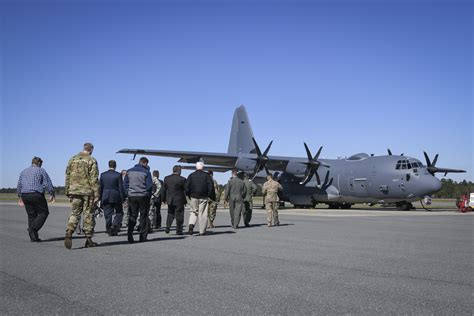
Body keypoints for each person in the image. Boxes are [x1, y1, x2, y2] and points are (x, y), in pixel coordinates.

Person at [64, 143, 100, 249]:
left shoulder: (72, 159)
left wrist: (68, 191)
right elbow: (94, 178)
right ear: (91, 149)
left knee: (75, 213)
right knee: (88, 214)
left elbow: (68, 175)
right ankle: (88, 238)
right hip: (87, 191)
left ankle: (69, 231)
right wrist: (97, 193)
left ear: (84, 148)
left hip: (74, 191)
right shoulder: (91, 160)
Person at [17, 157, 55, 242]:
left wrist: (19, 196)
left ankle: (34, 238)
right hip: (36, 194)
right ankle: (32, 228)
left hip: (25, 195)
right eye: (41, 164)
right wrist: (51, 193)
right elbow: (47, 182)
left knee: (31, 215)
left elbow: (19, 184)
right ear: (39, 163)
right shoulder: (41, 170)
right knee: (44, 213)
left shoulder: (23, 171)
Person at [123, 157, 153, 243]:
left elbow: (125, 184)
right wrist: (147, 194)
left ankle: (130, 235)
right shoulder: (146, 172)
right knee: (143, 216)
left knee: (132, 215)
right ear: (146, 163)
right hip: (143, 196)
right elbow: (149, 186)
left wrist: (128, 193)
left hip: (132, 196)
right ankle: (142, 237)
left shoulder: (129, 171)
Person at [185, 162, 216, 236]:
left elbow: (186, 186)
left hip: (193, 196)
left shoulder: (191, 175)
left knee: (193, 211)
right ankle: (202, 231)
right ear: (203, 168)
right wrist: (210, 196)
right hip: (203, 197)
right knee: (202, 213)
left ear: (196, 167)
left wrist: (189, 195)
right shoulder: (206, 176)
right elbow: (211, 186)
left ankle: (191, 225)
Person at [99, 160, 125, 236]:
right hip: (116, 196)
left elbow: (101, 187)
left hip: (106, 196)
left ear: (109, 165)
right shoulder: (118, 175)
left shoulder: (103, 175)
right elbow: (121, 187)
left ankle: (108, 228)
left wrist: (100, 198)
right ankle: (114, 225)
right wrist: (123, 199)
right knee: (119, 213)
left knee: (107, 214)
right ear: (115, 166)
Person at [162, 165, 187, 235]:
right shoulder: (182, 179)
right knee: (179, 215)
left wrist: (163, 199)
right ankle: (179, 230)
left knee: (170, 214)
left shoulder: (166, 178)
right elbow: (186, 190)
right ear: (179, 171)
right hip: (179, 200)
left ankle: (167, 227)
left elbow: (163, 190)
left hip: (170, 199)